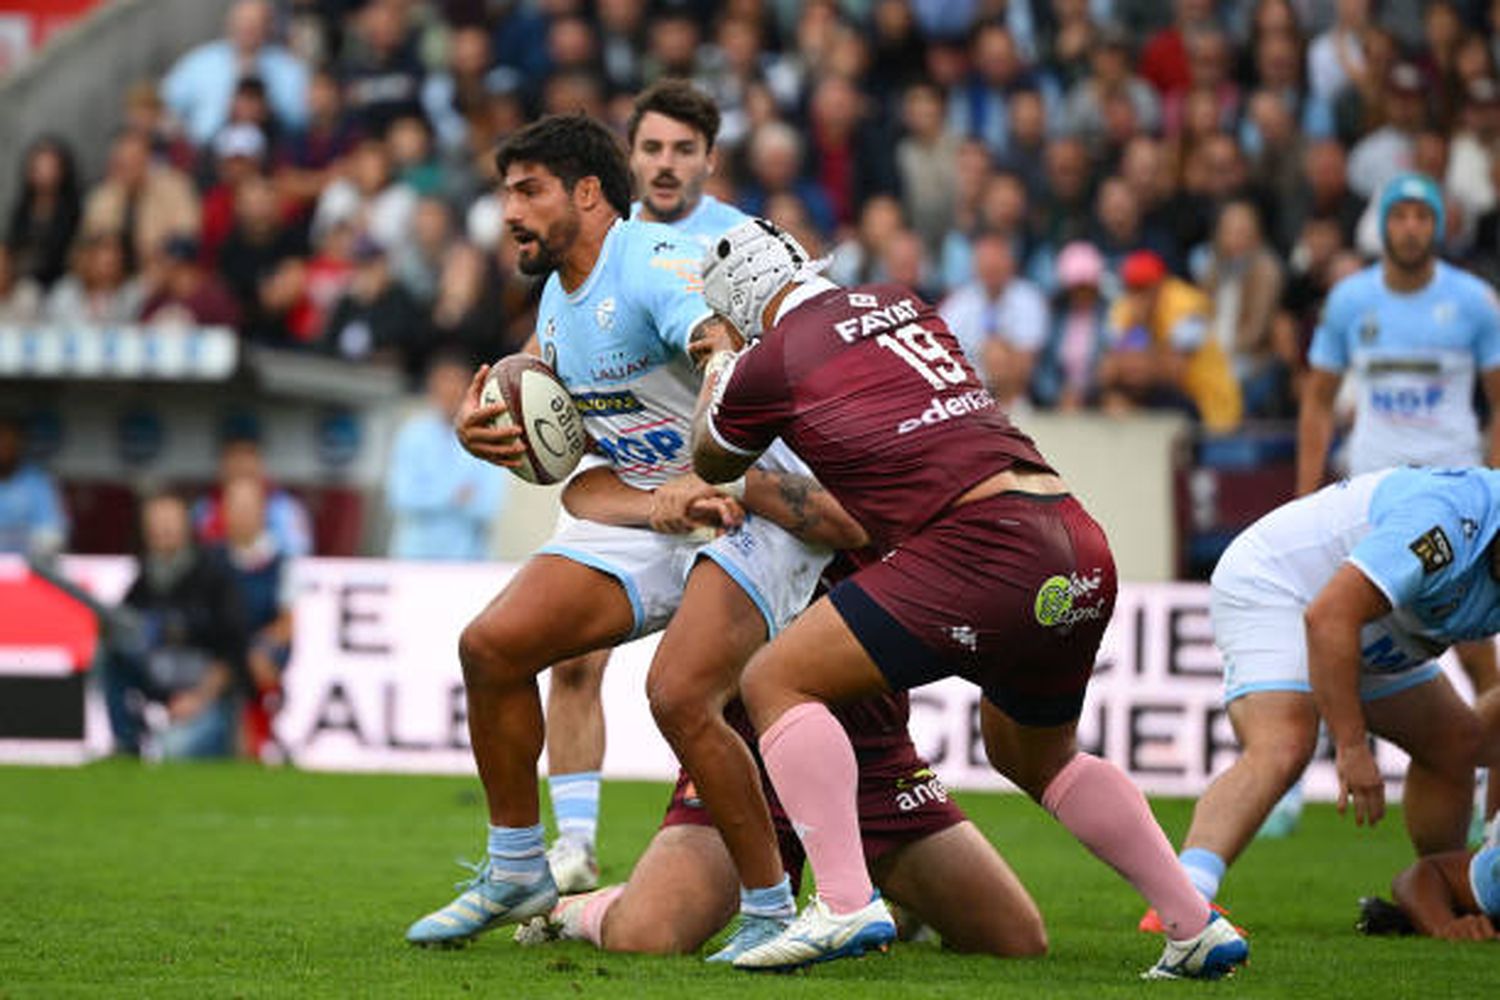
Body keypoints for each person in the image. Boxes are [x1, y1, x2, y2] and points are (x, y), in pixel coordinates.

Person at [688, 218, 1248, 978]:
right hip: (1073, 534)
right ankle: (1194, 922)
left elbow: (710, 454)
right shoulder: (901, 299)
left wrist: (722, 358)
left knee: (774, 679)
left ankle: (846, 904)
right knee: (1034, 751)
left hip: (981, 544)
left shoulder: (772, 354)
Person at [403, 115, 840, 961]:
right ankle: (518, 866)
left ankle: (771, 909)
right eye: (505, 193)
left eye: (528, 191)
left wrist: (709, 426)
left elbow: (720, 341)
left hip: (756, 505)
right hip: (658, 508)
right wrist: (484, 428)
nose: (510, 212)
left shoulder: (646, 263)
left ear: (589, 194)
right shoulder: (558, 302)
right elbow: (576, 453)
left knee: (679, 695)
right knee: (492, 647)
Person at [540, 80, 754, 898]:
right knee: (568, 656)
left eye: (683, 150)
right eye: (652, 149)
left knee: (777, 687)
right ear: (626, 160)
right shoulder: (597, 245)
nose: (665, 166)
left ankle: (880, 863)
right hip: (633, 485)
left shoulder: (740, 241)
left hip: (739, 482)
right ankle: (576, 847)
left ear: (710, 160)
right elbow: (544, 365)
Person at [1158, 467, 1496, 929]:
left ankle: (1446, 894)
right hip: (1282, 588)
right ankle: (1184, 902)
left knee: (1457, 742)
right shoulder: (1445, 522)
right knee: (1285, 743)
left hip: (1379, 622)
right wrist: (1351, 745)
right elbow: (1330, 616)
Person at [515, 687, 1047, 960]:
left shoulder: (886, 492)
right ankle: (583, 908)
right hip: (742, 752)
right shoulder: (724, 494)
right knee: (645, 935)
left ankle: (897, 905)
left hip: (875, 757)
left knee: (1017, 941)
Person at [1298, 171, 1500, 823]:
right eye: (1400, 214)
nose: (1411, 225)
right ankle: (1298, 779)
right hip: (1374, 499)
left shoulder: (1472, 301)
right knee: (1334, 629)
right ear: (1382, 223)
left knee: (1475, 649)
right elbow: (1319, 399)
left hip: (1455, 495)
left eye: (1422, 214)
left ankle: (1482, 789)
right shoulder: (1352, 300)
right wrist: (1306, 495)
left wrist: (1492, 485)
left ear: (1437, 224)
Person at [100, 490, 246, 759]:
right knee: (110, 654)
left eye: (170, 521)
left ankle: (221, 738)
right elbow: (121, 635)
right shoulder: (143, 581)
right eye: (156, 522)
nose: (163, 529)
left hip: (206, 697)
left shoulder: (215, 576)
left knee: (173, 750)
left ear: (187, 527)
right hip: (161, 681)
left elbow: (233, 653)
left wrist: (198, 698)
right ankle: (127, 741)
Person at [385, 352, 506, 561]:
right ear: (432, 387)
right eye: (443, 383)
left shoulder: (488, 434)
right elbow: (401, 496)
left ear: (469, 389)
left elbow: (489, 505)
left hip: (466, 563)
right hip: (412, 559)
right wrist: (454, 496)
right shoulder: (412, 434)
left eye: (456, 383)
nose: (450, 391)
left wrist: (430, 493)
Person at [160, 0, 309, 147]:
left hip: (271, 154)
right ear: (229, 25)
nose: (247, 30)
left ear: (269, 28)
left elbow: (301, 120)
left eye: (255, 25)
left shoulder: (289, 69)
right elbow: (165, 103)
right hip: (207, 153)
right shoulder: (200, 62)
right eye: (242, 24)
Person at [0, 412, 67, 560]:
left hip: (26, 568)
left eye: (9, 440)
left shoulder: (38, 482)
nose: (3, 446)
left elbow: (52, 535)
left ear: (20, 443)